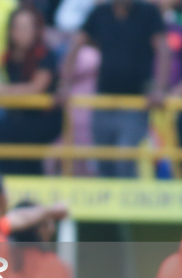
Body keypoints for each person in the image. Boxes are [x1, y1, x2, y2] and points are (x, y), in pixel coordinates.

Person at [57, 0, 170, 178]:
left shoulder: (149, 13)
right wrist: (64, 84)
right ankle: (109, 205)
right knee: (103, 161)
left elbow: (163, 50)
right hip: (104, 100)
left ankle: (129, 204)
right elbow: (75, 46)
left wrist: (159, 88)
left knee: (125, 157)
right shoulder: (100, 13)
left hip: (136, 101)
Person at [0, 3, 63, 175]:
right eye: (18, 27)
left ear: (36, 30)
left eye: (26, 27)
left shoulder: (44, 54)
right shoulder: (5, 57)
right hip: (17, 117)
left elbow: (37, 87)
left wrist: (1, 90)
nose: (22, 32)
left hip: (42, 120)